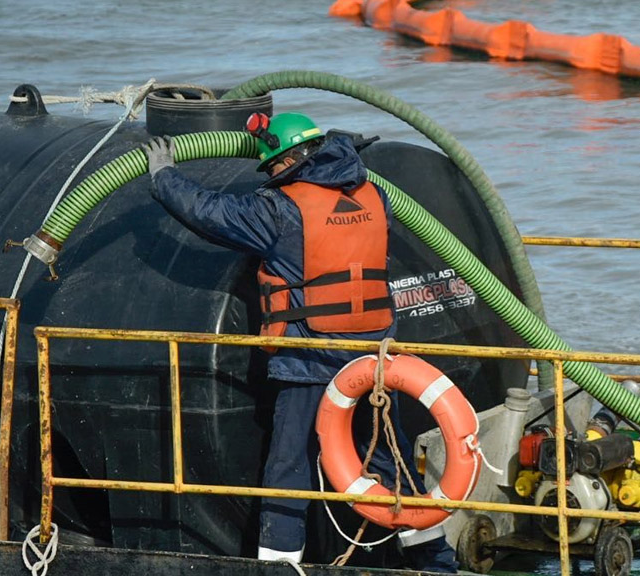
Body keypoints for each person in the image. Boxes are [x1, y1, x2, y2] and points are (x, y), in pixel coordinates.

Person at [142, 112, 457, 572]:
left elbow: (212, 213)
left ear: (288, 159)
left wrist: (165, 178)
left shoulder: (281, 209)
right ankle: (436, 562)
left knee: (289, 468)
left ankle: (279, 566)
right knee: (391, 455)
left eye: (272, 167)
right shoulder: (377, 195)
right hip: (375, 358)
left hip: (312, 359)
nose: (271, 176)